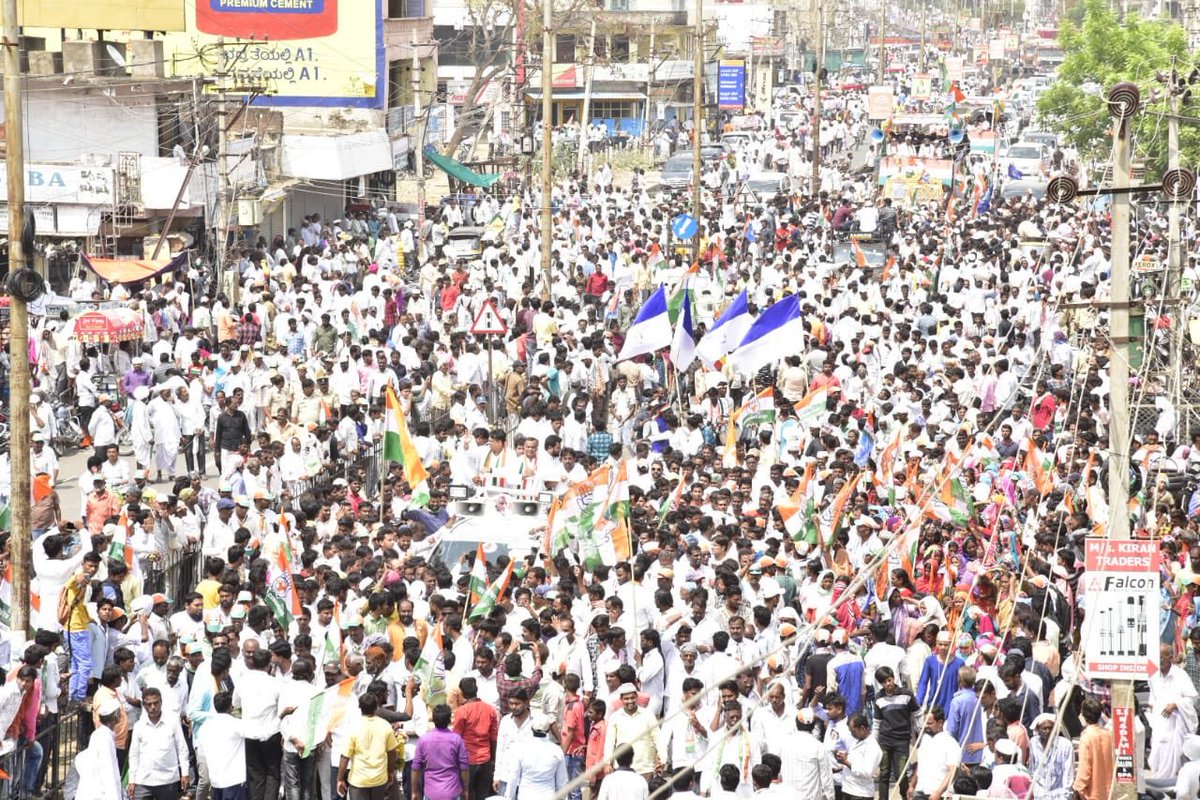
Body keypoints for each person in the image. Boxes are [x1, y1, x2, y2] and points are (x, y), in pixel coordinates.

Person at [127, 686, 191, 800]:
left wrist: (185, 773)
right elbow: (133, 755)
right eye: (149, 704)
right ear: (144, 706)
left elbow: (182, 749)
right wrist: (132, 780)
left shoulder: (173, 722)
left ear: (161, 702)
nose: (153, 707)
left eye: (155, 703)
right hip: (143, 782)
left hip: (168, 780)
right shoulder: (139, 726)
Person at [1149, 642, 1200, 778]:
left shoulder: (1180, 675)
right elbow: (1153, 698)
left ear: (1171, 658)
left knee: (1174, 758)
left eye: (1162, 658)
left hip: (1175, 726)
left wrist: (1176, 704)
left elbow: (1192, 697)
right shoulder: (1153, 676)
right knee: (1157, 754)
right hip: (1159, 724)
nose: (1159, 662)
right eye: (1157, 658)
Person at [338, 691, 401, 800]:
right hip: (380, 779)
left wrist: (340, 779)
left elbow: (345, 756)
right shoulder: (385, 725)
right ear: (376, 707)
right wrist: (390, 771)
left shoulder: (354, 727)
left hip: (358, 781)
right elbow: (392, 752)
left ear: (359, 707)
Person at [411, 703, 469, 800]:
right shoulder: (456, 739)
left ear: (433, 719)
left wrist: (414, 791)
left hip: (431, 793)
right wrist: (466, 789)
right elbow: (464, 767)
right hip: (452, 792)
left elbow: (416, 768)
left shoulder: (424, 740)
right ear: (449, 720)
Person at [504, 713, 567, 800]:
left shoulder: (521, 749)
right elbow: (562, 782)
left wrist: (509, 797)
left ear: (531, 728)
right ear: (548, 730)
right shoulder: (556, 751)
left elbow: (513, 779)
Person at [911, 707, 960, 800]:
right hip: (920, 791)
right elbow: (921, 764)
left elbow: (952, 771)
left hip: (939, 794)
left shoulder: (951, 743)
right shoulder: (925, 739)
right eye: (924, 723)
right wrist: (912, 785)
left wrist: (938, 792)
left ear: (940, 722)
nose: (925, 726)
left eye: (929, 723)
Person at [1073, 697, 1114, 800]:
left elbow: (1085, 768)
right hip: (1109, 792)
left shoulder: (1086, 737)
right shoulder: (1109, 734)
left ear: (1083, 715)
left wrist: (1078, 789)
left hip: (1093, 794)